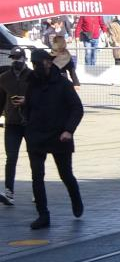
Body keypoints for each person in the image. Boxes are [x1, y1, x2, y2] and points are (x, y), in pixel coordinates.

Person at [16, 49, 84, 230]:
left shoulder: (63, 83)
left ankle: (76, 199)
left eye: (39, 63)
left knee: (65, 175)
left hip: (59, 136)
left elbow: (77, 108)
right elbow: (29, 105)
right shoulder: (32, 83)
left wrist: (69, 130)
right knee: (37, 176)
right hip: (36, 135)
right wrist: (25, 110)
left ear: (48, 62)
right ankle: (43, 215)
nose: (36, 67)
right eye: (34, 64)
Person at [0, 48, 31, 206]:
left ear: (24, 59)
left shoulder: (33, 76)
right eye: (13, 58)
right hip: (12, 123)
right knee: (11, 158)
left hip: (30, 123)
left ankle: (37, 190)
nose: (15, 61)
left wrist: (27, 101)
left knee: (35, 157)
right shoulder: (4, 78)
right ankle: (9, 191)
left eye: (18, 58)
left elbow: (41, 99)